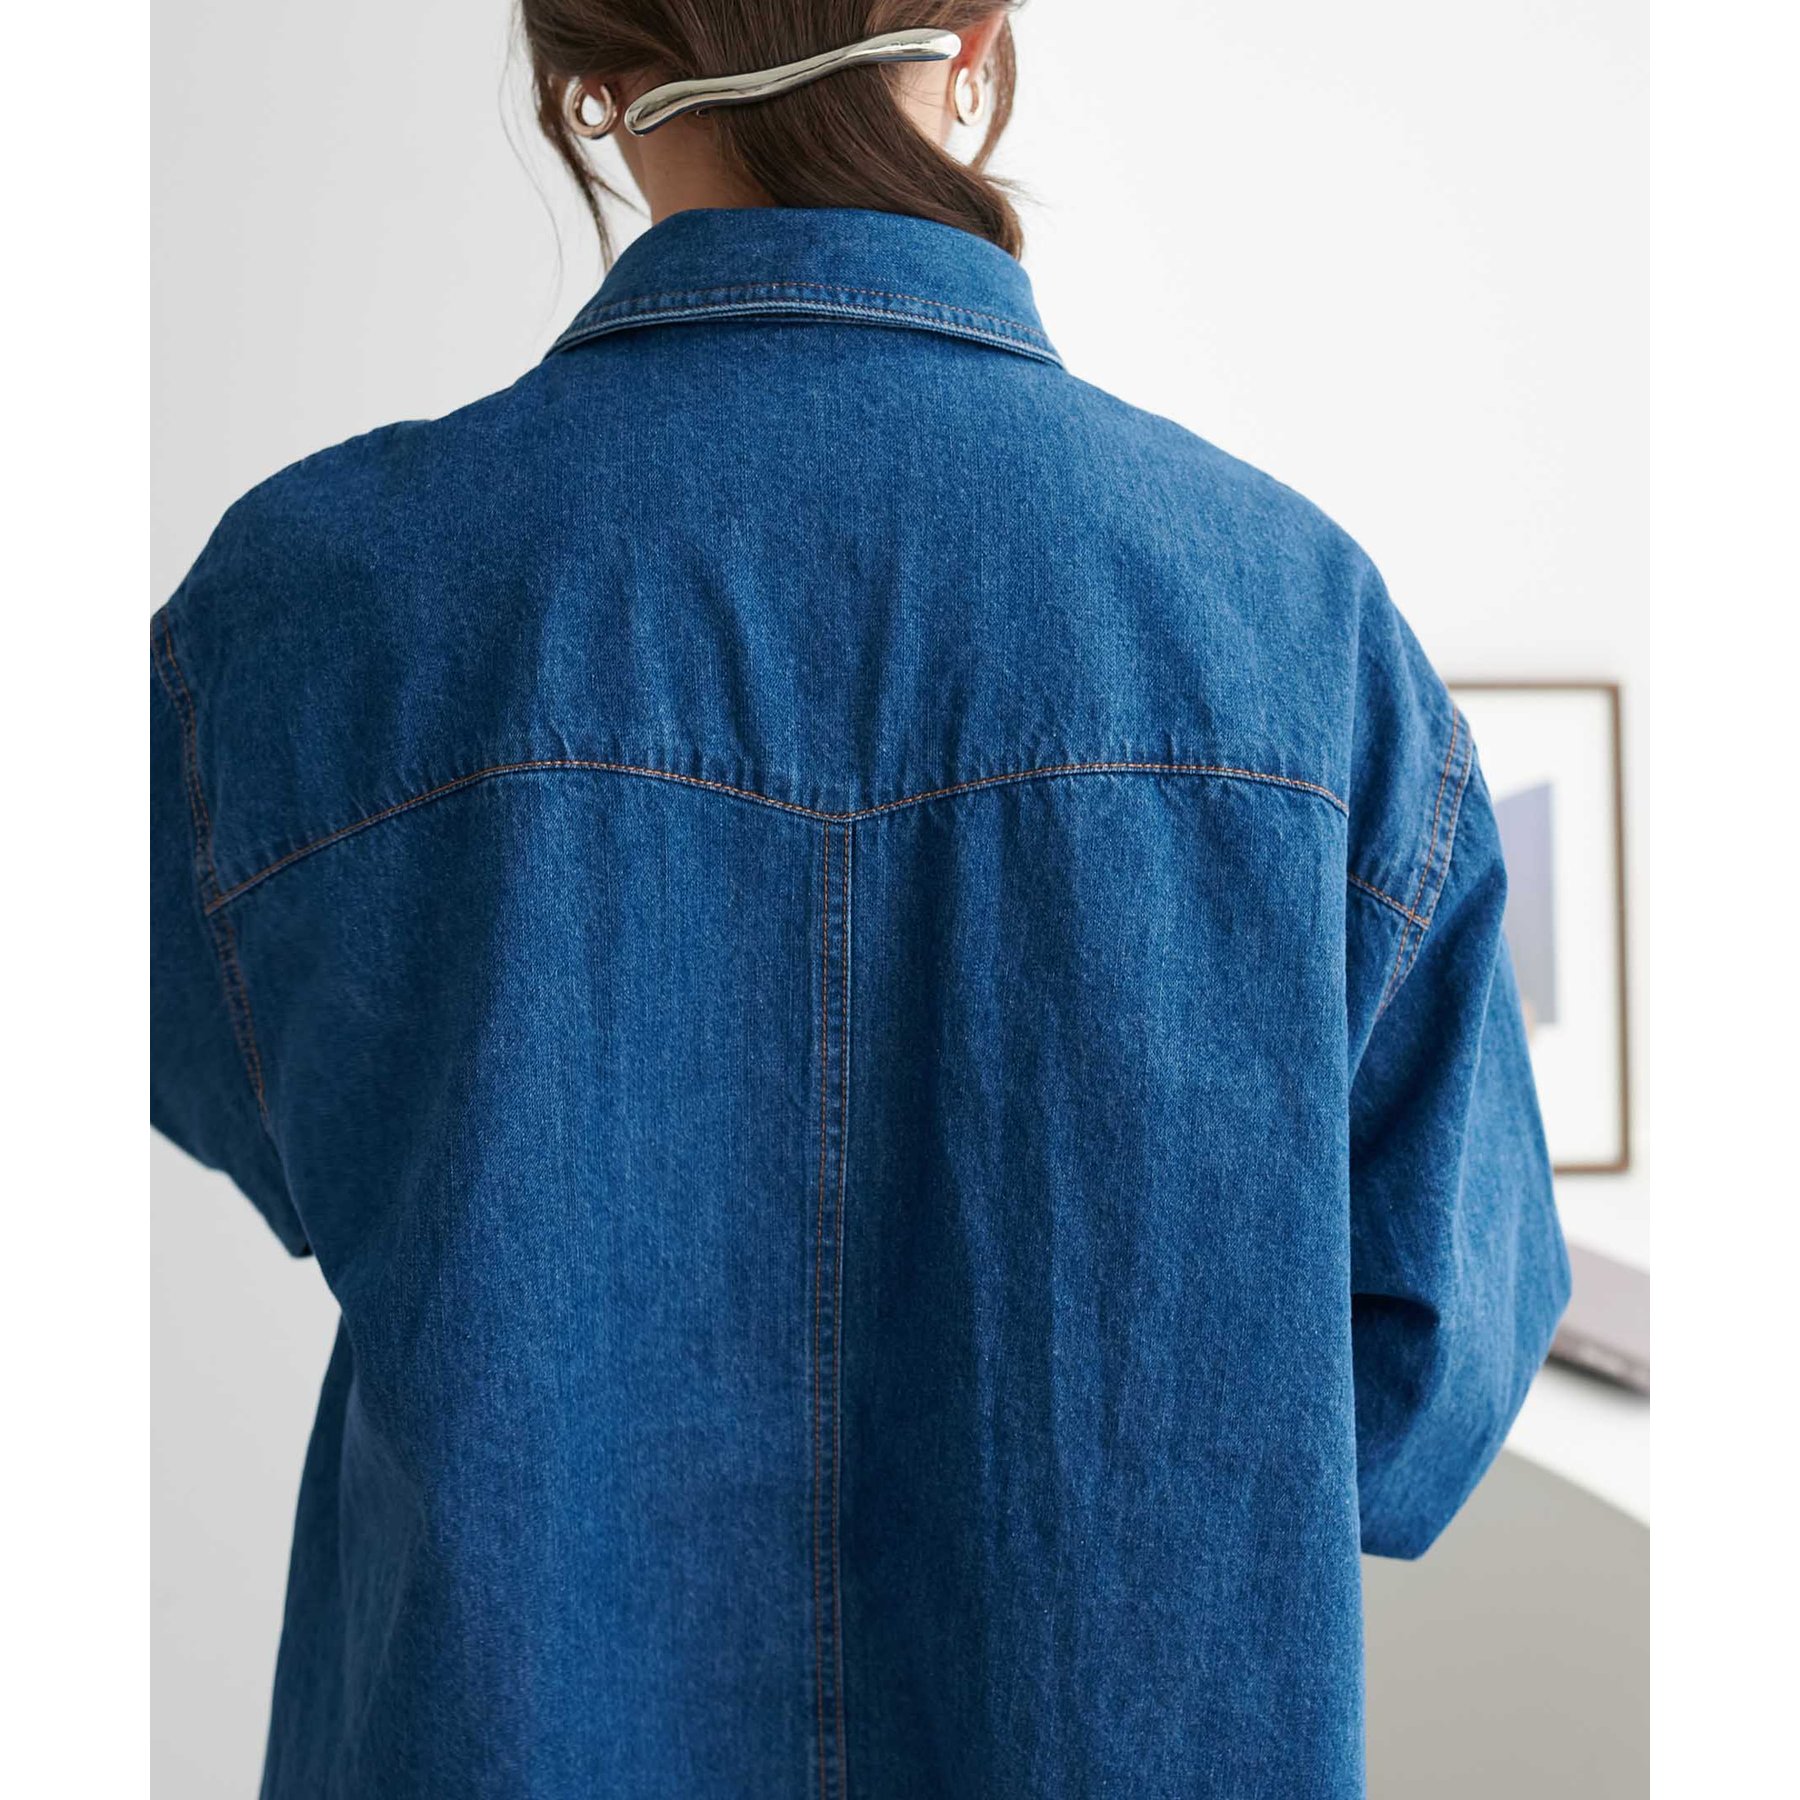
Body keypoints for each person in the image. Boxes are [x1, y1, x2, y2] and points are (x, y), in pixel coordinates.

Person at [149, 4, 1571, 1796]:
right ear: (974, 36)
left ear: (580, 77)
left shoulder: (313, 606)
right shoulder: (1295, 630)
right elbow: (1432, 1375)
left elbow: (256, 1104)